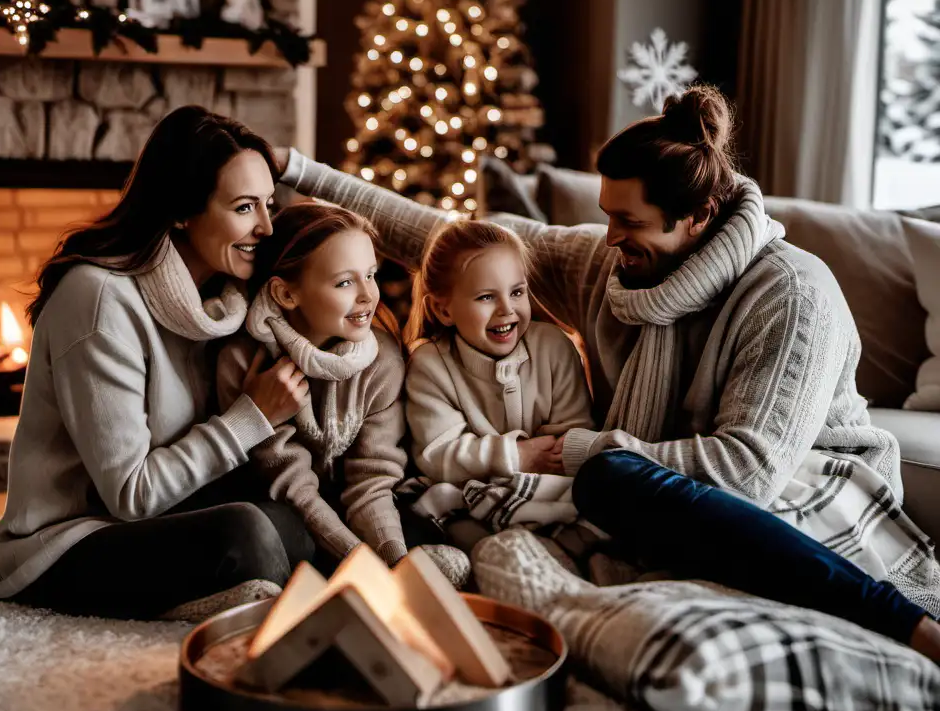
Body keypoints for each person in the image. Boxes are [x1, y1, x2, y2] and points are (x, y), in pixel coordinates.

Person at [270, 86, 940, 662]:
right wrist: (296, 168)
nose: (609, 236)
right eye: (605, 215)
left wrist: (583, 450)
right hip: (651, 490)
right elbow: (447, 240)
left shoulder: (792, 294)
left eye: (628, 221)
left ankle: (911, 629)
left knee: (607, 478)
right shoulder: (609, 267)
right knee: (511, 501)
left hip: (802, 491)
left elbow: (748, 474)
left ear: (697, 217)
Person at [0, 106, 314, 622]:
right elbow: (131, 494)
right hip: (69, 540)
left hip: (168, 512)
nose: (267, 226)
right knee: (246, 533)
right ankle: (267, 621)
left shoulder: (225, 301)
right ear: (180, 209)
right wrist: (252, 416)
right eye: (245, 207)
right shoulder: (98, 300)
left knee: (296, 519)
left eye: (269, 203)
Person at [216, 202, 469, 584]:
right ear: (286, 294)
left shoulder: (381, 358)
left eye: (371, 275)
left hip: (351, 503)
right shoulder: (244, 362)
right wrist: (366, 568)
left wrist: (394, 563)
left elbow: (372, 479)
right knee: (280, 535)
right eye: (345, 282)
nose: (368, 295)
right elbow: (290, 485)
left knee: (419, 532)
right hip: (281, 504)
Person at [401, 218, 595, 561]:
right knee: (444, 511)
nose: (507, 310)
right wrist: (518, 455)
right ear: (443, 309)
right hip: (467, 491)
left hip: (549, 486)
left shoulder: (553, 346)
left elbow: (573, 432)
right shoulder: (430, 364)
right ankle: (506, 562)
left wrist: (542, 456)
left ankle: (566, 557)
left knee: (596, 499)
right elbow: (437, 453)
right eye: (486, 297)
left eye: (517, 292)